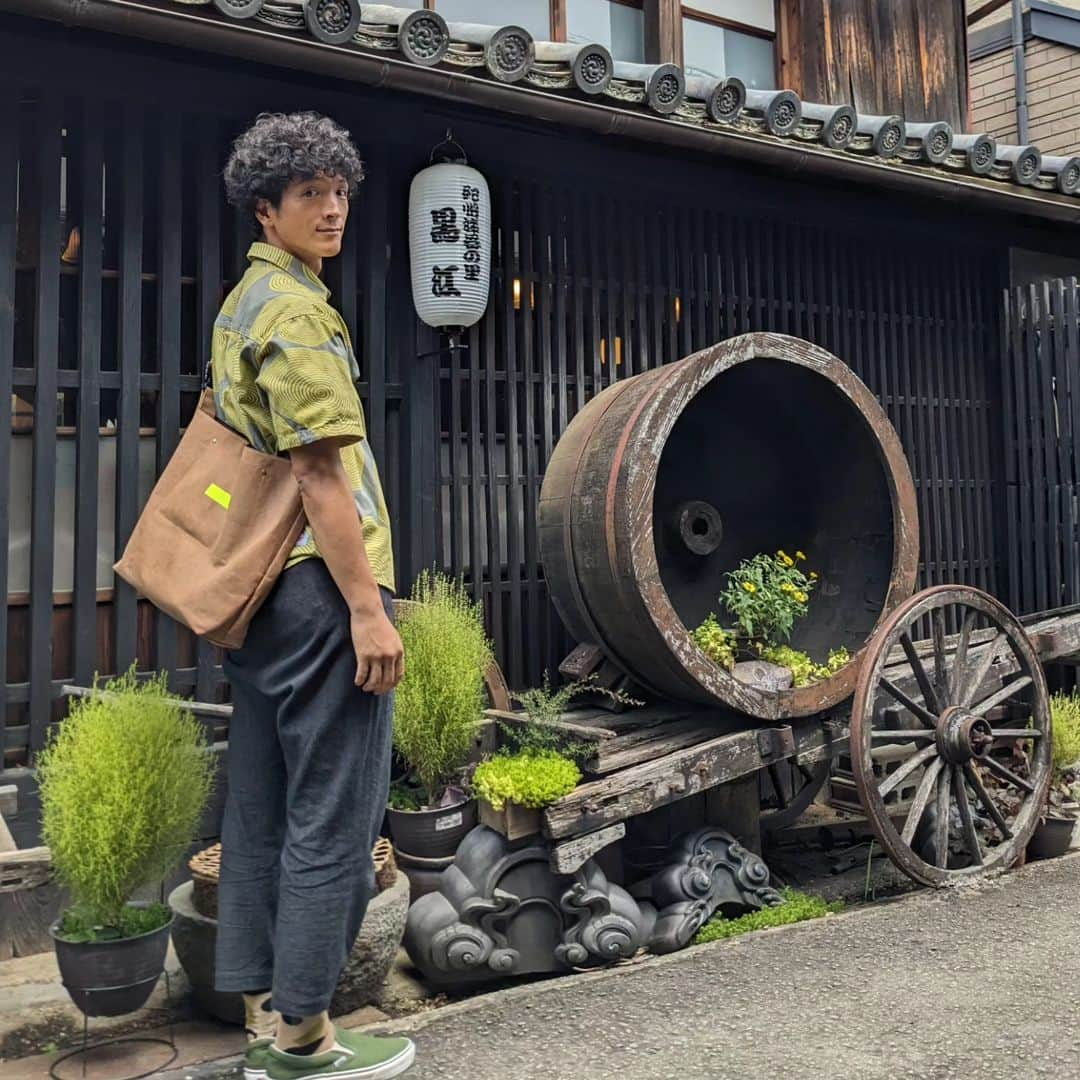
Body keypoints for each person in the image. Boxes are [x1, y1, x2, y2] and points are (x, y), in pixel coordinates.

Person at [211, 111, 414, 1080]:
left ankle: (260, 1009)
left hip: (257, 601)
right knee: (336, 807)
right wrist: (369, 607)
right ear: (267, 208)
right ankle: (304, 1035)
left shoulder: (242, 305)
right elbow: (321, 473)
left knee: (260, 804)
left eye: (339, 189)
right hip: (316, 595)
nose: (332, 206)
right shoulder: (295, 313)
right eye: (309, 194)